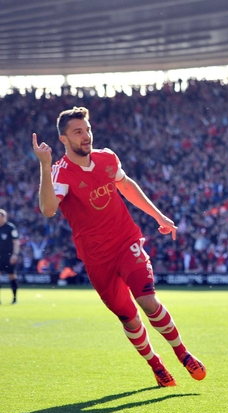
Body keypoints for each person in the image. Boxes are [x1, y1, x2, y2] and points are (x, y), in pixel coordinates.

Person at [33, 106, 205, 387]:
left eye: (87, 129)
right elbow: (48, 209)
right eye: (78, 132)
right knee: (129, 318)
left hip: (127, 242)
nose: (86, 135)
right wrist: (43, 163)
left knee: (148, 301)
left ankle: (183, 354)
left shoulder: (107, 158)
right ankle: (156, 365)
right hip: (97, 258)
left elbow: (126, 185)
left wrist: (158, 216)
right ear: (64, 139)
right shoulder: (61, 173)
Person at [0, 209, 21, 304]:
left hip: (9, 256)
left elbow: (16, 242)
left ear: (4, 217)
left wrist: (15, 254)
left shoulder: (10, 228)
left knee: (12, 276)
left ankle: (14, 298)